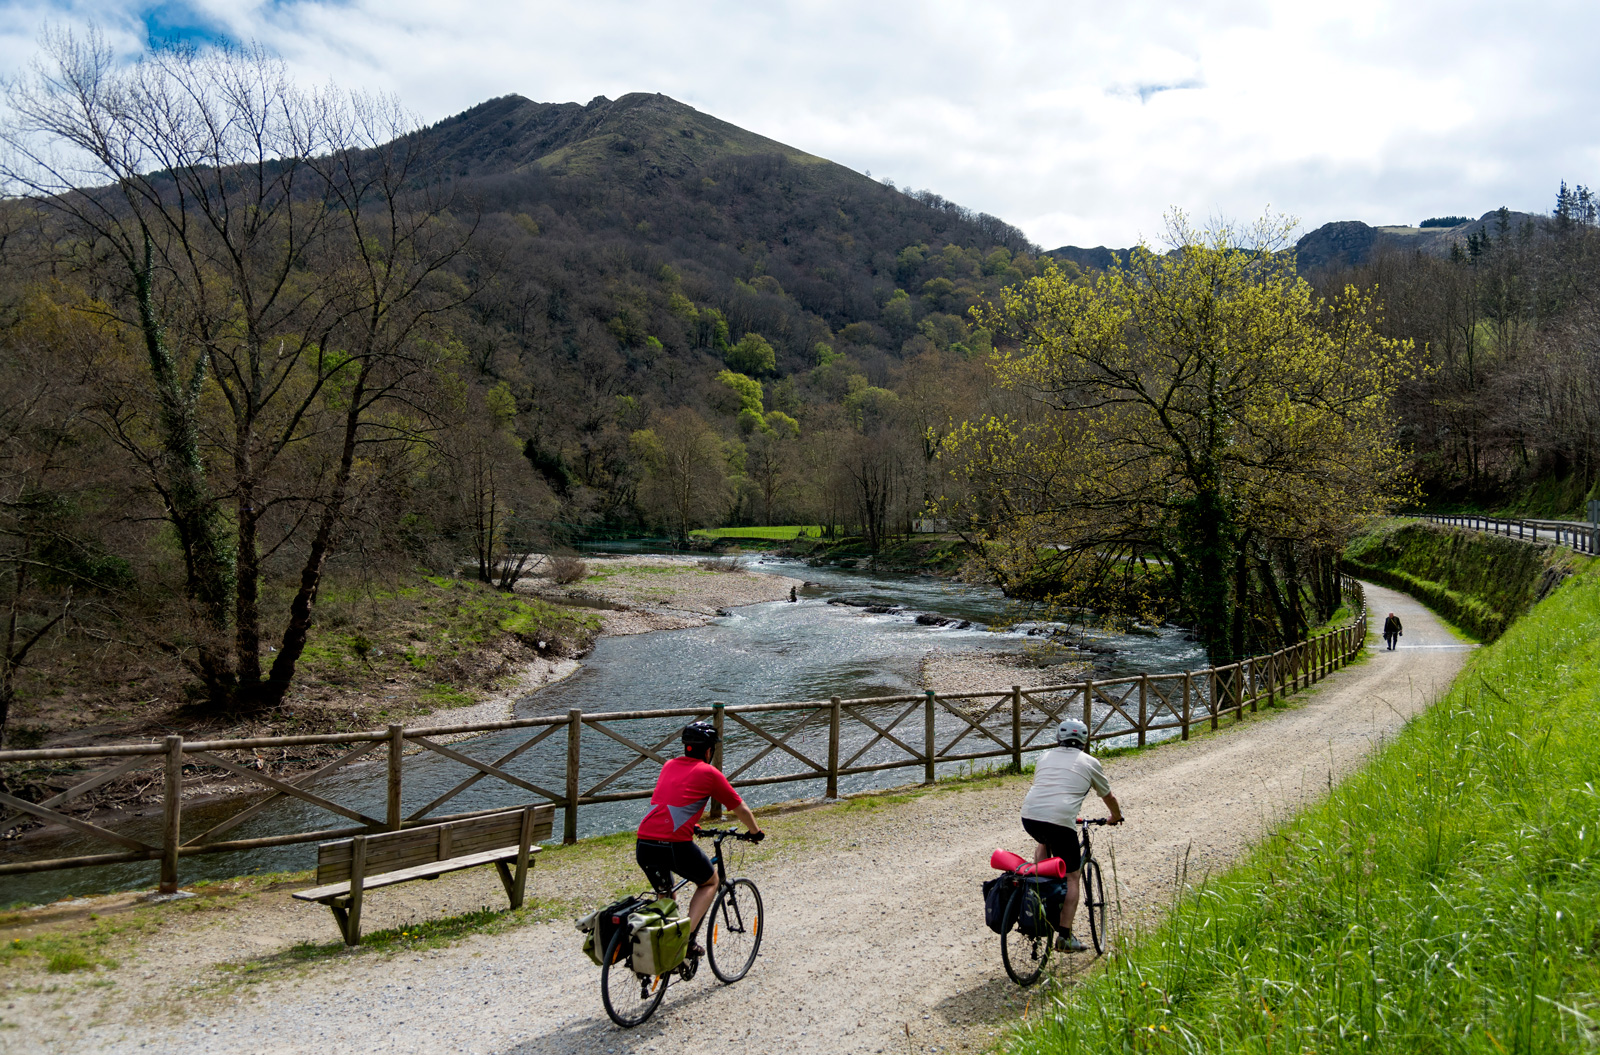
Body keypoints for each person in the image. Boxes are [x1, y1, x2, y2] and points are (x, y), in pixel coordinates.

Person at [636, 720, 763, 953]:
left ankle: (661, 951)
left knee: (666, 894)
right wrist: (755, 832)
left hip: (644, 843)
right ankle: (685, 941)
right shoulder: (709, 772)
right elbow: (740, 808)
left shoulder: (669, 765)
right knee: (710, 882)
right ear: (708, 751)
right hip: (674, 846)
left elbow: (670, 802)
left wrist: (691, 824)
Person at [1019, 717, 1122, 952]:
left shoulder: (1045, 757)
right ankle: (1064, 937)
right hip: (1060, 820)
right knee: (1073, 876)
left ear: (1059, 738)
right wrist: (1115, 816)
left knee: (1044, 841)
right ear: (1084, 741)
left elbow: (1051, 789)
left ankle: (1040, 890)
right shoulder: (1090, 762)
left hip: (1030, 816)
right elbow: (1109, 797)